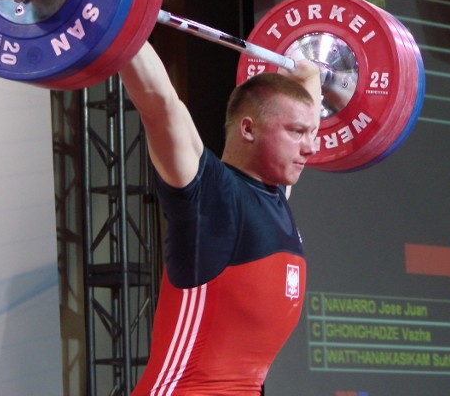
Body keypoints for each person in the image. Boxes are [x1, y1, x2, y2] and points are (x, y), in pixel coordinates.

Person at [120, 41, 321, 395]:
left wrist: (312, 75)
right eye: (296, 132)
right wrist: (119, 23)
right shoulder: (212, 198)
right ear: (248, 129)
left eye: (311, 132)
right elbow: (160, 104)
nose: (311, 147)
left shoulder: (273, 199)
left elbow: (302, 110)